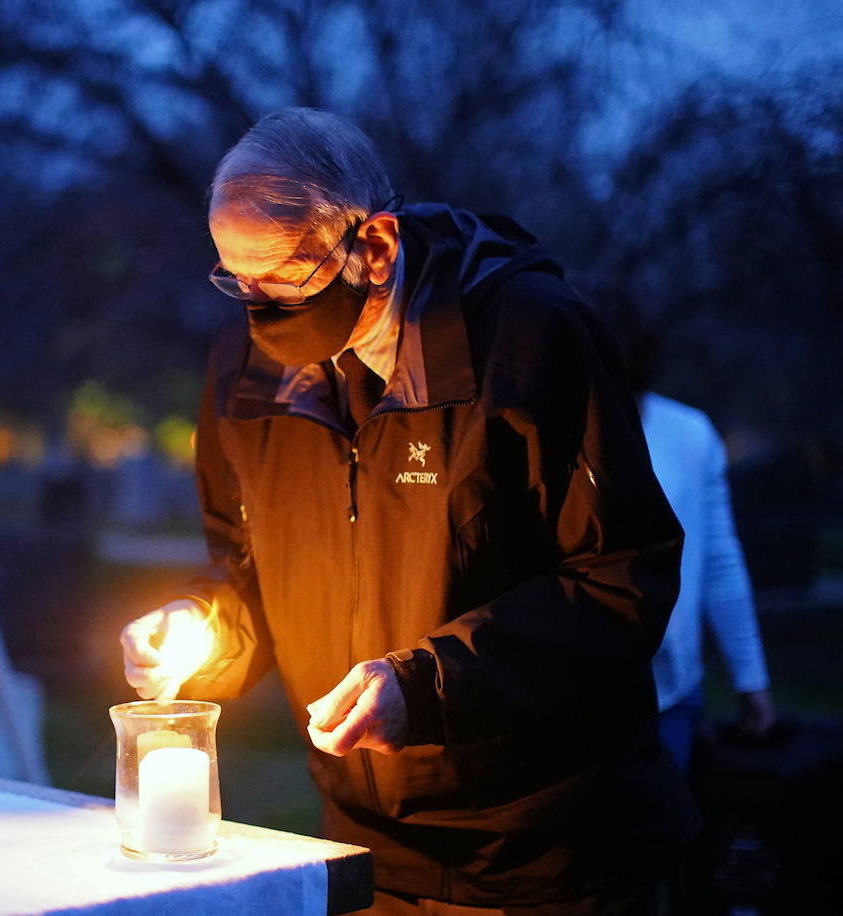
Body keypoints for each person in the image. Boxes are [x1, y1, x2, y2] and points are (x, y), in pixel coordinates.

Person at [120, 109, 698, 914]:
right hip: (364, 853)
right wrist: (197, 626)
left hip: (547, 852)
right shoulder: (240, 372)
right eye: (235, 280)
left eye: (281, 278)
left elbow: (619, 578)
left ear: (376, 247)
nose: (255, 311)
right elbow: (248, 566)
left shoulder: (528, 340)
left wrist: (430, 685)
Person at [604, 304, 775, 770]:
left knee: (663, 836)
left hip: (670, 694)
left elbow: (718, 559)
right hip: (570, 701)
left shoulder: (689, 435)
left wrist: (750, 675)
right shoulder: (536, 430)